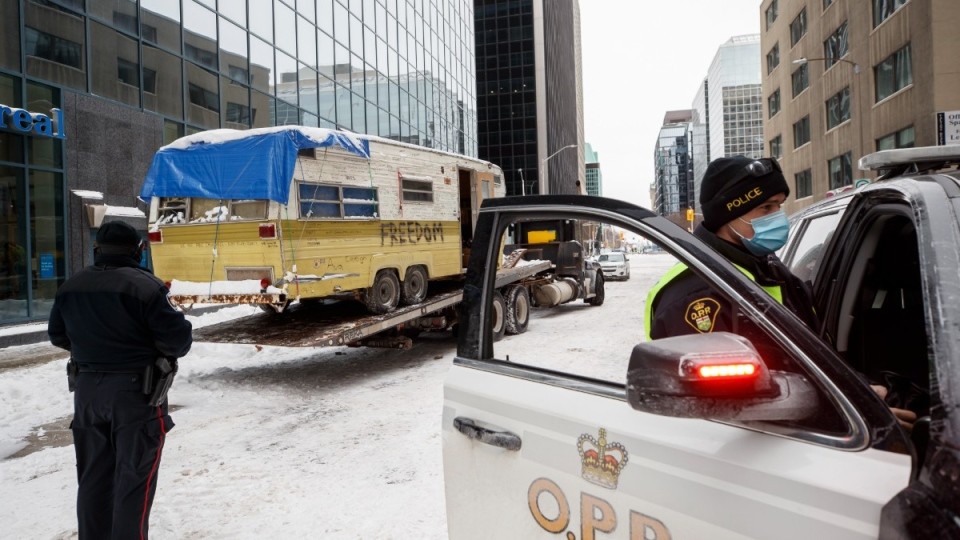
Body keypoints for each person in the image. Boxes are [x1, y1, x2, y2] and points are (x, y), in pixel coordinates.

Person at [644, 156, 916, 430]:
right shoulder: (695, 296)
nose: (778, 216)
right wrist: (851, 414)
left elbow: (811, 353)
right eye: (766, 207)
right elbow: (724, 407)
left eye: (779, 206)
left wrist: (860, 389)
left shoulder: (765, 266)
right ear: (729, 214)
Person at [48, 221, 193, 539]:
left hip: (86, 393)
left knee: (93, 480)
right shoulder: (147, 287)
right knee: (134, 481)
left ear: (97, 249)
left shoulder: (71, 286)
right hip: (135, 396)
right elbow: (178, 341)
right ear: (138, 251)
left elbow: (58, 335)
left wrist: (94, 351)